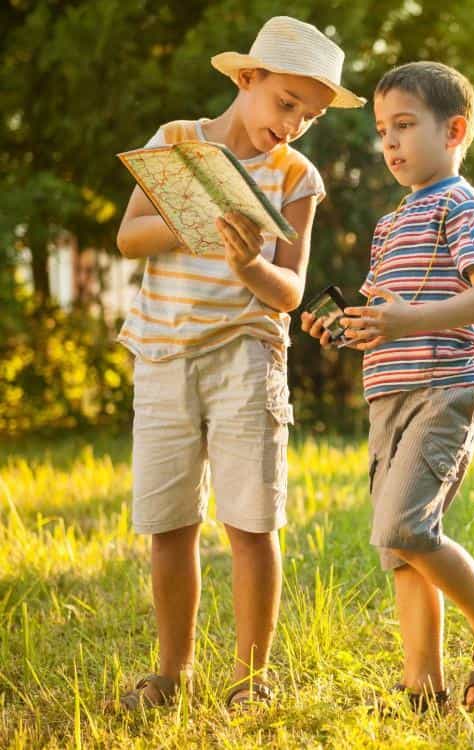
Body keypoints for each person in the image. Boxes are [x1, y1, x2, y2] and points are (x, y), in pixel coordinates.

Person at [111, 16, 364, 711]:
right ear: (247, 79)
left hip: (246, 359)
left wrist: (247, 259)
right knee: (169, 523)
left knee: (252, 523)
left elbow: (287, 292)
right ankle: (170, 673)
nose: (296, 124)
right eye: (287, 104)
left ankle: (250, 681)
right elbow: (129, 236)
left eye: (310, 115)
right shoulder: (177, 143)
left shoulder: (295, 177)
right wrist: (198, 223)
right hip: (162, 354)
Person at [301, 61, 474, 713]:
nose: (390, 143)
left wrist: (408, 319)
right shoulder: (388, 224)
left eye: (404, 125)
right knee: (399, 549)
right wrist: (350, 329)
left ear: (454, 130)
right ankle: (421, 688)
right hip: (389, 394)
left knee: (405, 526)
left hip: (444, 389)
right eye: (382, 130)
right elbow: (388, 317)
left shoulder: (463, 206)